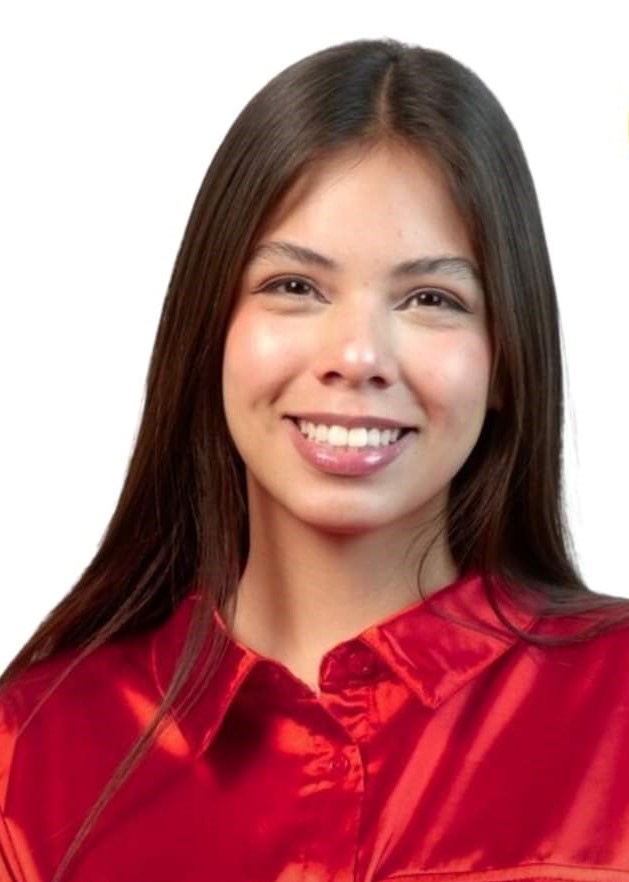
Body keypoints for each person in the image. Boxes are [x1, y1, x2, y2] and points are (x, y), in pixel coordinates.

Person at [1, 36, 629, 882]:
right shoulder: (30, 757)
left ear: (506, 363)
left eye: (430, 298)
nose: (356, 355)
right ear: (209, 333)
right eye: (293, 287)